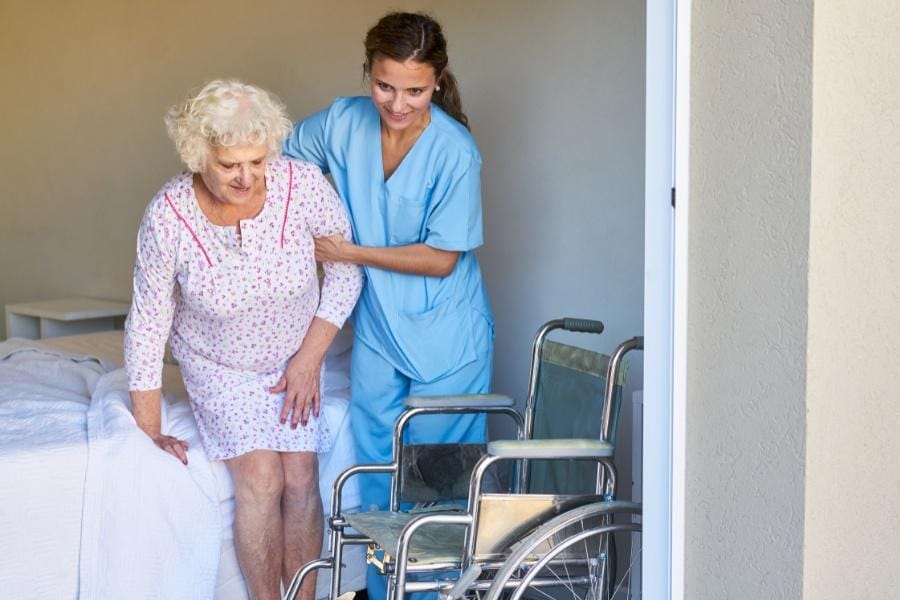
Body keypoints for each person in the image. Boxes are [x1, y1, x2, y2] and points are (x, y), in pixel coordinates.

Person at [124, 79, 363, 600]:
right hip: (218, 366)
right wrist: (149, 430)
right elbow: (147, 322)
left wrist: (309, 359)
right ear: (198, 154)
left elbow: (346, 273)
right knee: (261, 477)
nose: (247, 176)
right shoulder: (168, 216)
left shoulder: (301, 185)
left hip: (295, 356)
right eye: (231, 164)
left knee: (301, 474)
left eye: (257, 161)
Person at [283, 11, 493, 598]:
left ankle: (428, 594)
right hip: (379, 331)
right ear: (368, 74)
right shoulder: (343, 122)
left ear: (437, 81)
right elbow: (277, 163)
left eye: (415, 91)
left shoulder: (455, 152)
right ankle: (380, 593)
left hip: (447, 343)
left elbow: (442, 259)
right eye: (384, 86)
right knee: (376, 479)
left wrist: (348, 250)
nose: (397, 103)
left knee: (436, 490)